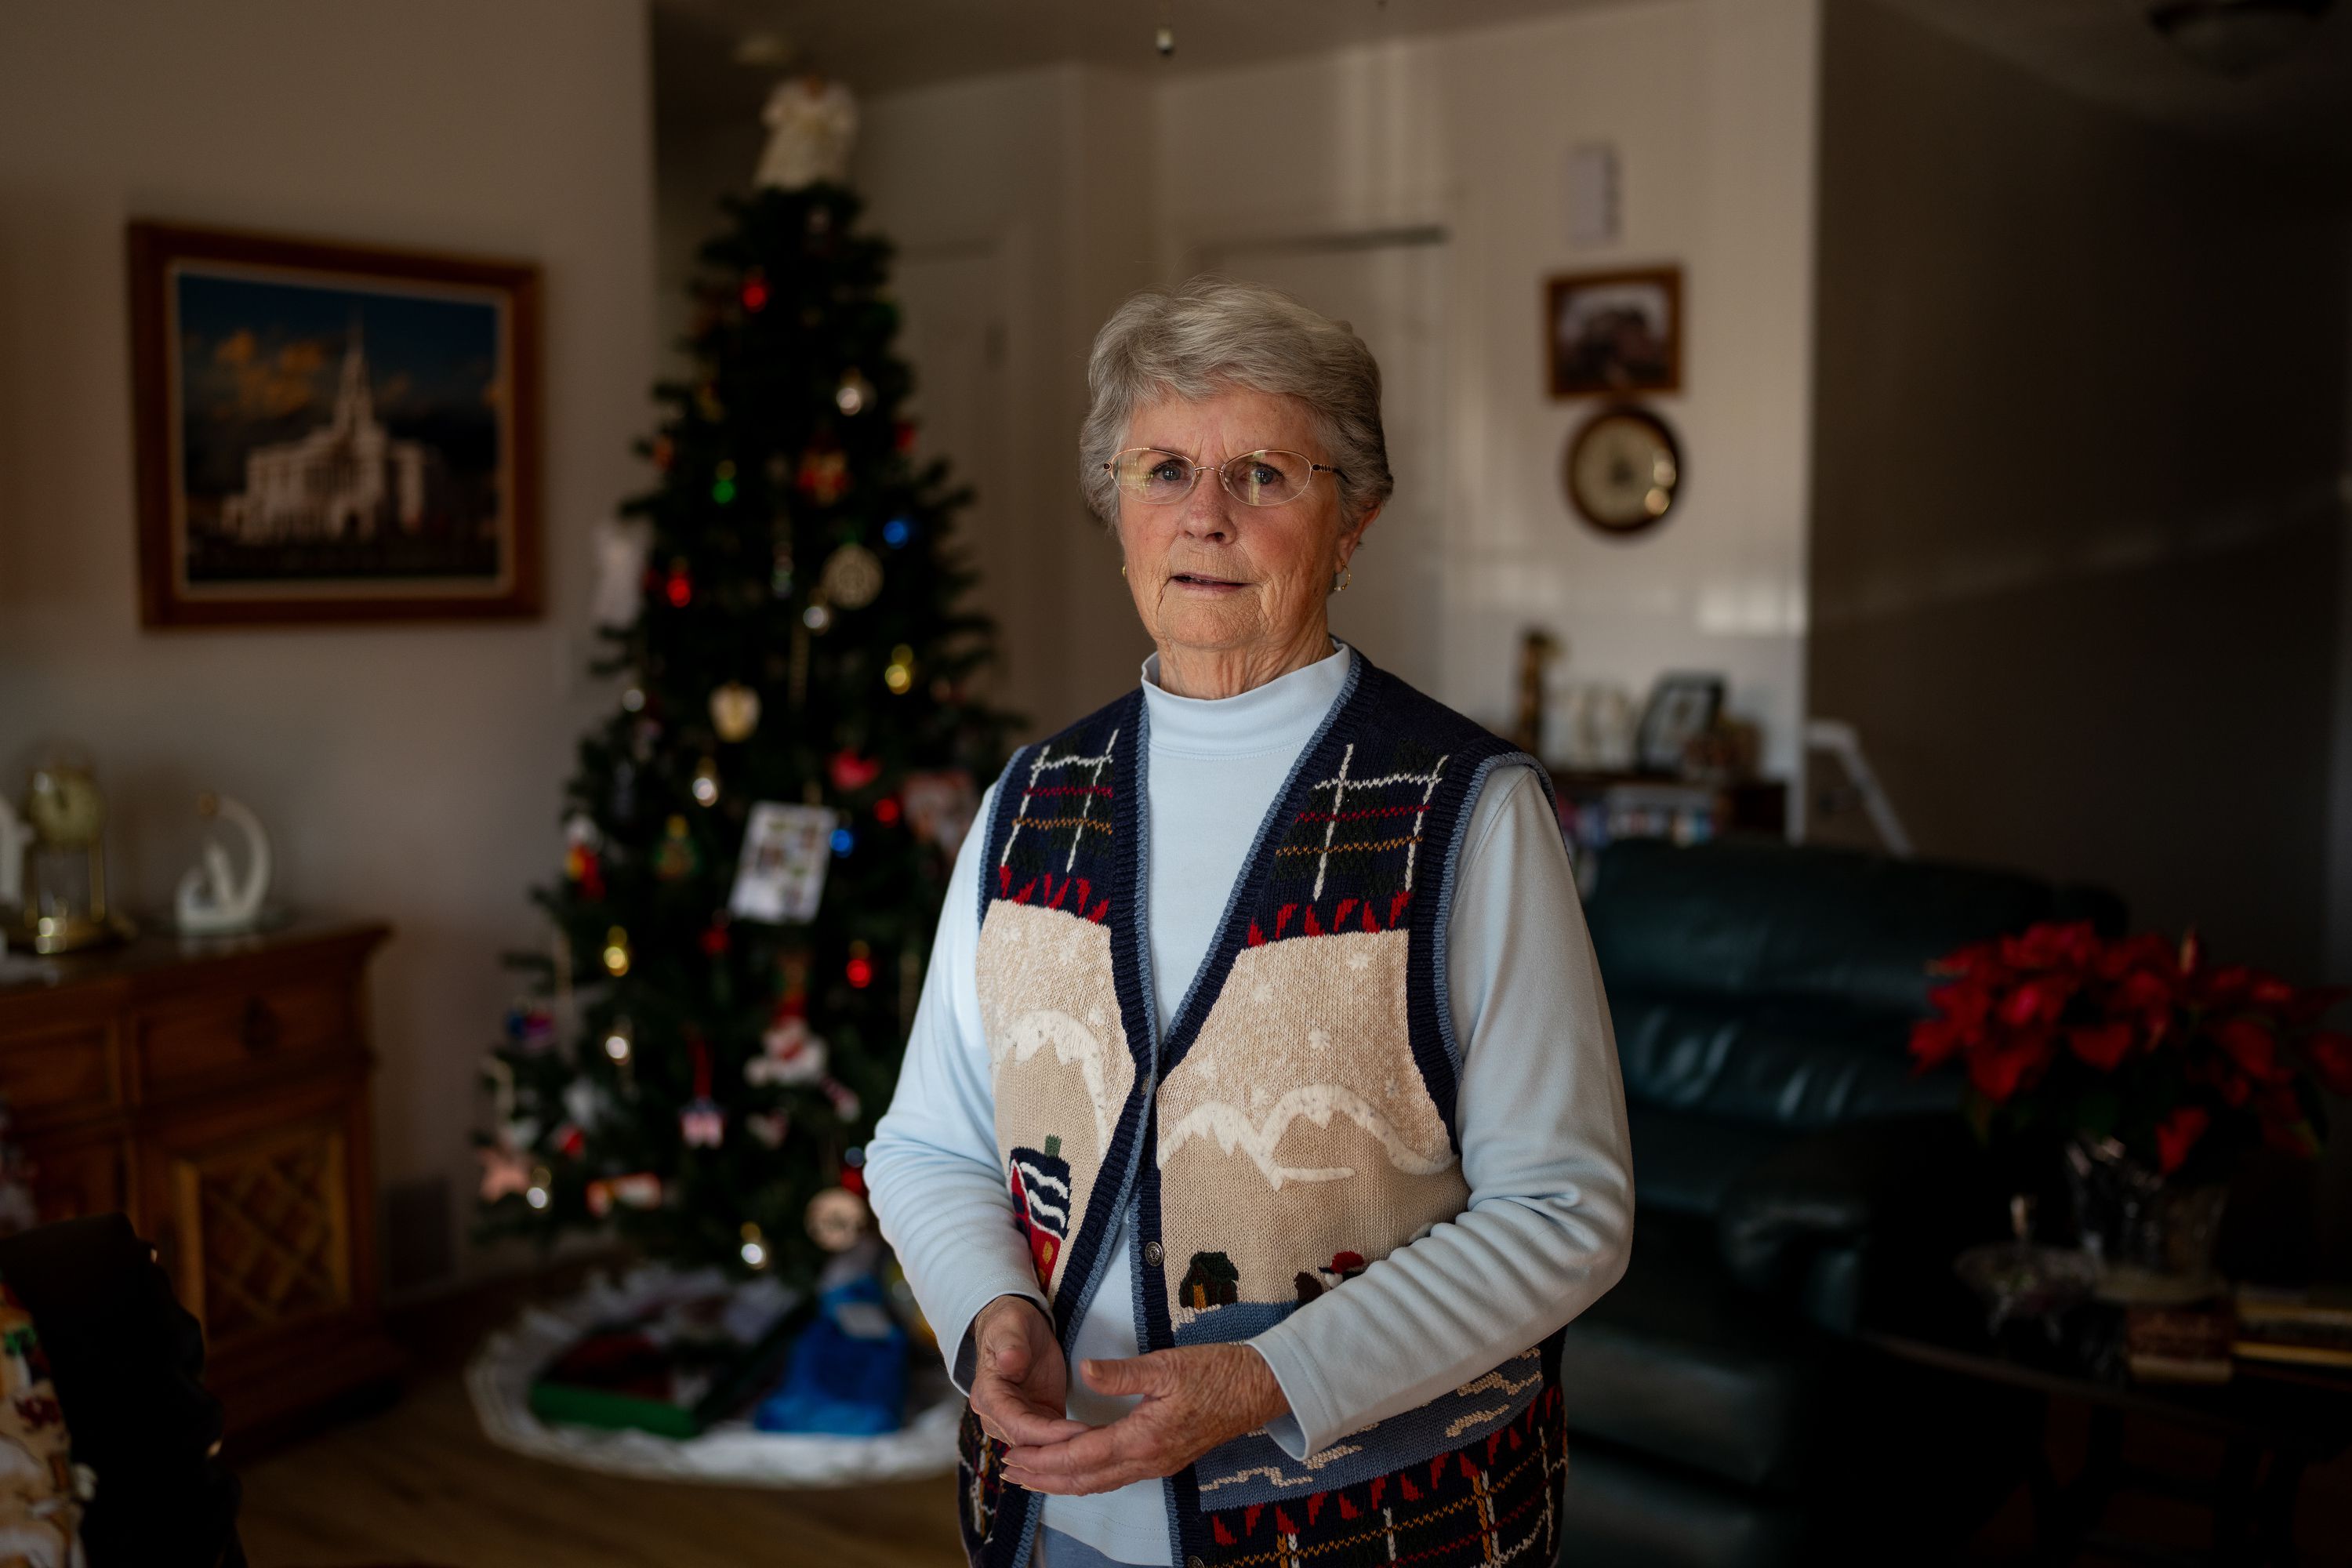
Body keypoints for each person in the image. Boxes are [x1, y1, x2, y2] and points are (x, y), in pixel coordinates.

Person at [867, 276, 1632, 1568]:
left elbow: (1565, 1209)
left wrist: (1268, 1380)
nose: (1206, 517)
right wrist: (991, 1307)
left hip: (1382, 1535)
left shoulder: (1465, 813)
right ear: (1117, 511)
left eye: (1266, 475)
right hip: (1053, 1521)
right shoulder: (1030, 802)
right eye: (1164, 468)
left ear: (1354, 521)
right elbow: (926, 1144)